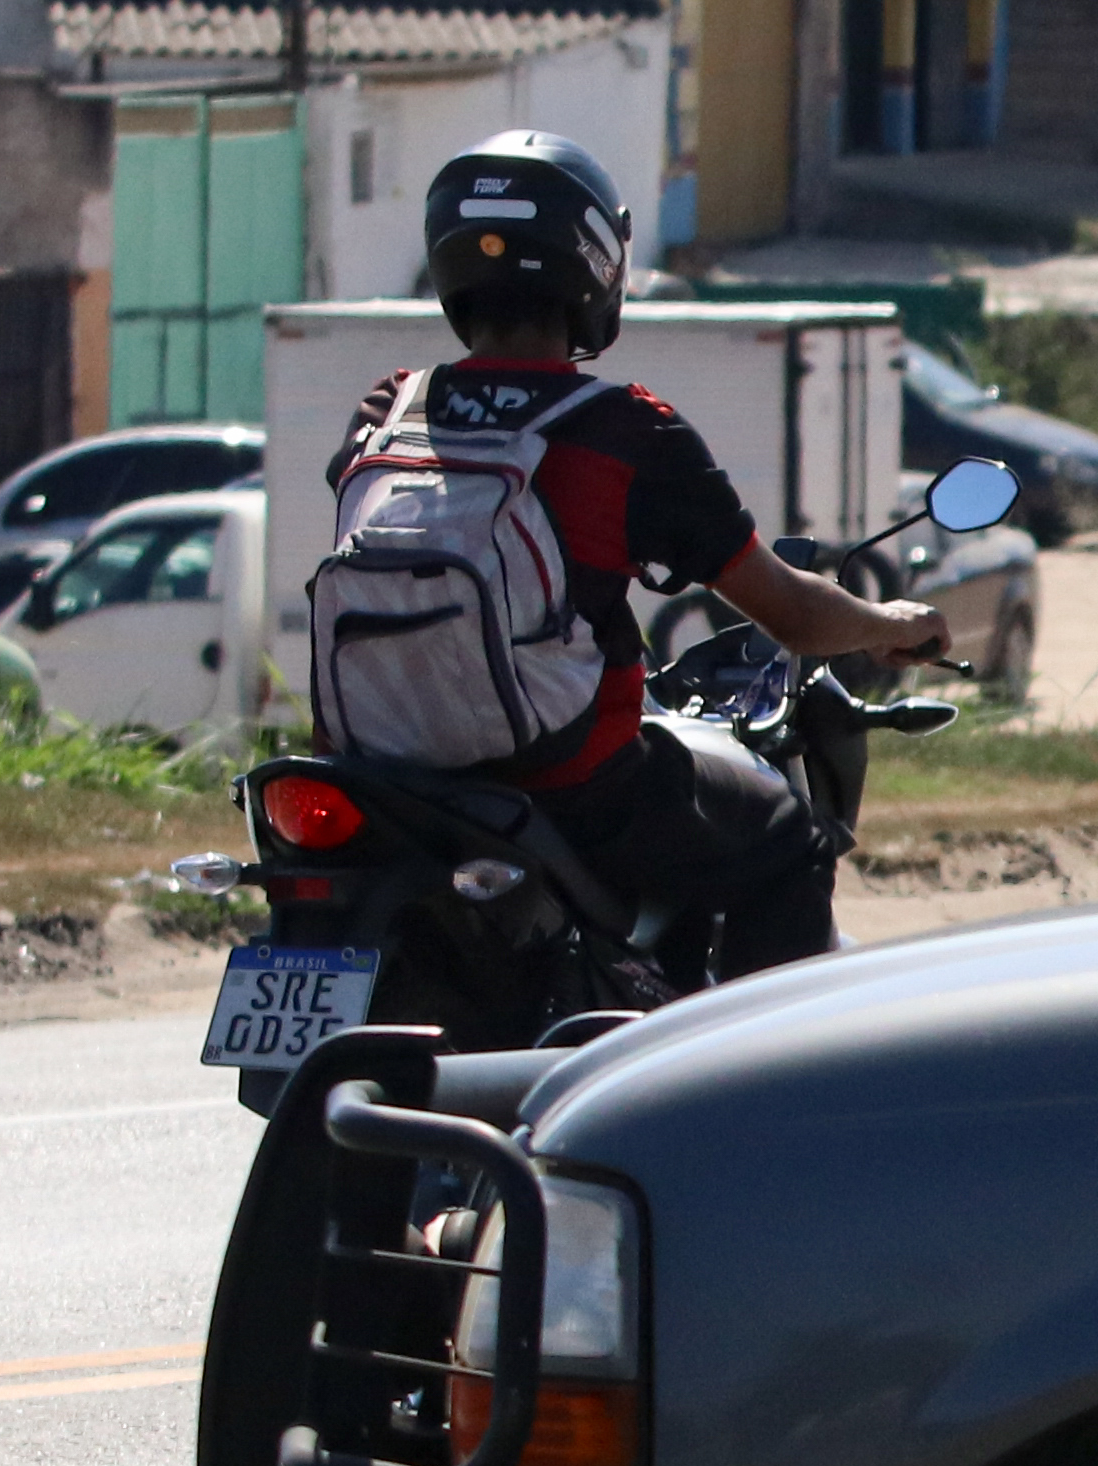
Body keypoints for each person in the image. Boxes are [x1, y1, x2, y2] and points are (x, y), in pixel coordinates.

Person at [313, 135, 945, 974]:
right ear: (596, 265)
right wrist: (883, 621)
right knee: (787, 840)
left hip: (384, 777)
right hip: (571, 781)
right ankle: (748, 1091)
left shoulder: (391, 408)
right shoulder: (624, 430)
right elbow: (789, 610)